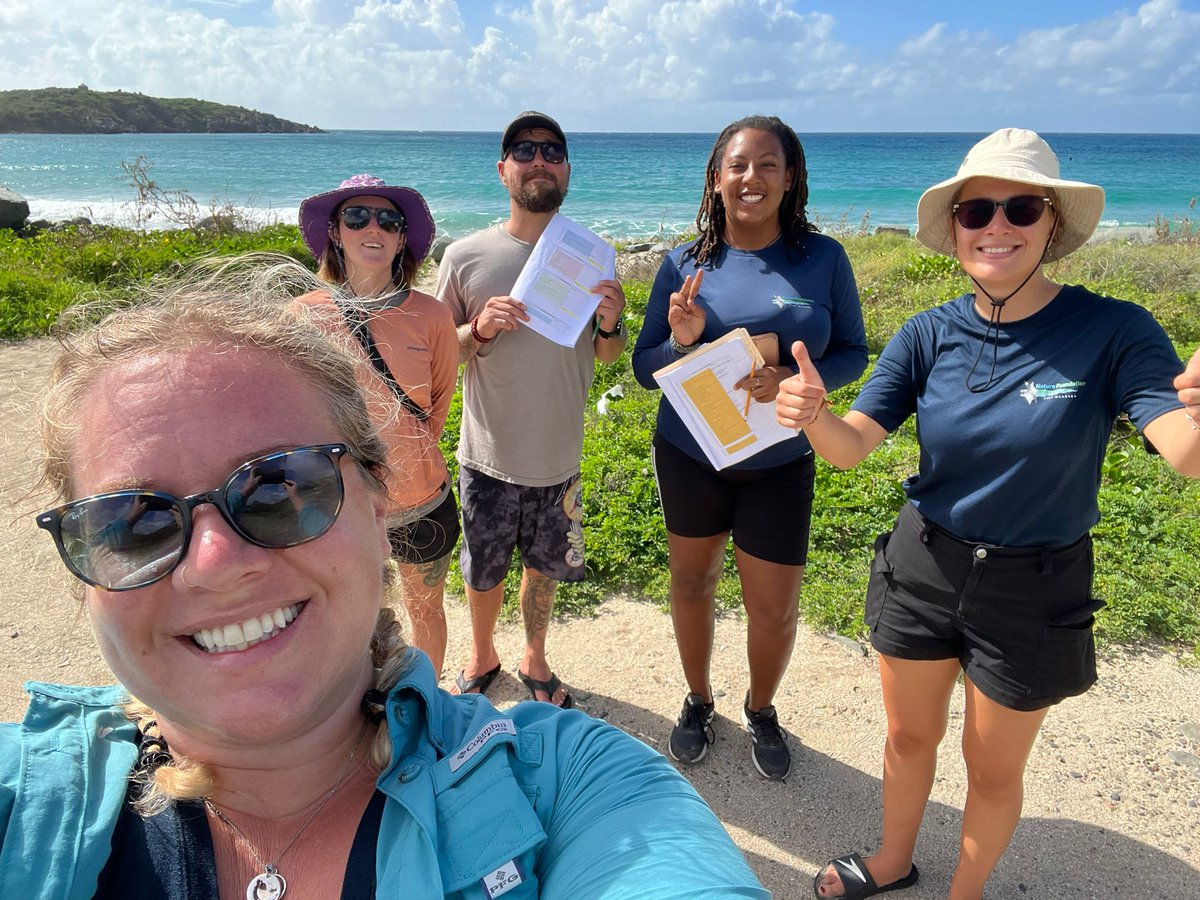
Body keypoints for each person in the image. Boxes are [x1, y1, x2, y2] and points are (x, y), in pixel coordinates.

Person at [1, 273, 770, 899]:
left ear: (377, 506)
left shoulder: (572, 784)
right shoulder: (22, 802)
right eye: (135, 524)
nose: (215, 561)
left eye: (279, 488)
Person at [775, 128, 1200, 899]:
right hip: (923, 564)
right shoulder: (929, 333)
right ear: (957, 228)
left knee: (992, 768)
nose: (996, 226)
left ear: (1053, 225)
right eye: (976, 211)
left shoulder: (1114, 329)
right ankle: (891, 861)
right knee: (908, 737)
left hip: (1035, 585)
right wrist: (810, 413)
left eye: (1020, 208)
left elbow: (1183, 447)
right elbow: (849, 447)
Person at [631, 115, 868, 781]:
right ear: (716, 178)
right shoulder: (685, 263)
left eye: (769, 165)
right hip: (691, 456)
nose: (752, 178)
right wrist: (680, 340)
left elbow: (852, 351)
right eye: (738, 165)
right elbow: (646, 371)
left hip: (780, 463)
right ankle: (698, 699)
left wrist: (795, 379)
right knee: (691, 583)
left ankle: (761, 708)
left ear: (791, 178)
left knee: (774, 608)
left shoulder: (823, 260)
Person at [436, 111, 627, 708]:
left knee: (544, 569)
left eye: (551, 150)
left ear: (567, 168)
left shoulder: (593, 254)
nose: (538, 159)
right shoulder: (466, 256)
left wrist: (613, 322)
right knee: (482, 568)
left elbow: (609, 354)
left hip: (558, 454)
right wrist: (479, 329)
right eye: (524, 150)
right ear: (503, 170)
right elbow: (441, 355)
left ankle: (535, 656)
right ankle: (482, 652)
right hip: (488, 453)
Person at [297, 174, 459, 678]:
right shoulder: (300, 317)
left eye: (389, 220)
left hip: (420, 499)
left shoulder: (432, 317)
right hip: (335, 508)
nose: (375, 228)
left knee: (426, 610)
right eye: (357, 217)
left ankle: (428, 705)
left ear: (402, 238)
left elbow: (435, 411)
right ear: (335, 233)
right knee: (342, 616)